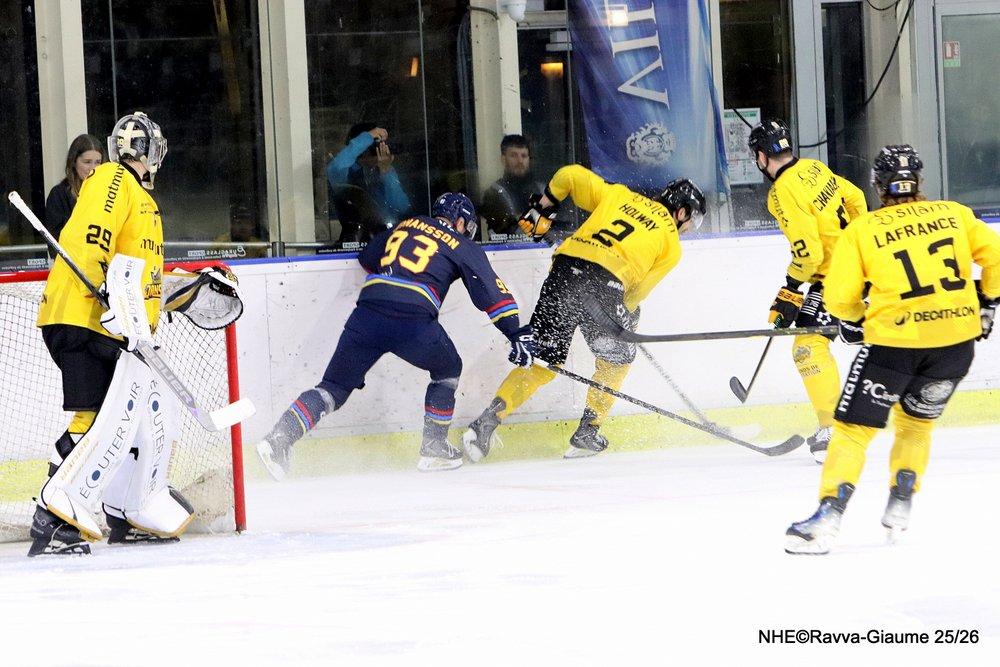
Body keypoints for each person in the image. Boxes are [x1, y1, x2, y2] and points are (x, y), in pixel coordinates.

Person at [28, 112, 243, 556]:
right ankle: (53, 519)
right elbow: (91, 239)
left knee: (140, 419)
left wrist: (189, 286)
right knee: (98, 420)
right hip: (86, 319)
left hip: (112, 324)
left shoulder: (142, 199)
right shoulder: (113, 178)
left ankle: (128, 510)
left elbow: (142, 276)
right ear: (148, 149)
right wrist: (109, 296)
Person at [785, 145, 1000, 555]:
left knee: (853, 431)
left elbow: (839, 298)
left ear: (879, 185)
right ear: (919, 181)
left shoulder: (863, 229)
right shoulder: (955, 214)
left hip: (893, 347)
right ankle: (901, 500)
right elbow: (998, 258)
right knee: (916, 426)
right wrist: (988, 302)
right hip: (955, 347)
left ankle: (829, 514)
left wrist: (855, 320)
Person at [256, 193, 534, 476]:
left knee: (333, 388)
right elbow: (492, 293)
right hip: (412, 319)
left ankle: (278, 440)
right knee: (448, 367)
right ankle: (434, 448)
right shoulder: (461, 244)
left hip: (367, 312)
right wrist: (516, 332)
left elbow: (368, 257)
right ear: (461, 222)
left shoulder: (407, 224)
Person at [462, 165, 706, 461]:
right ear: (681, 212)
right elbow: (635, 295)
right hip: (604, 285)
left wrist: (545, 204)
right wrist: (627, 317)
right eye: (692, 220)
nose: (689, 228)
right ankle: (587, 432)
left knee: (543, 361)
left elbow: (569, 175)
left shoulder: (620, 195)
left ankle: (485, 424)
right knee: (616, 361)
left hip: (563, 272)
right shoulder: (671, 244)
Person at [748, 118, 869, 463]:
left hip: (838, 278)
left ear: (762, 156)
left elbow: (809, 254)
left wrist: (790, 287)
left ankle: (833, 430)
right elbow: (856, 197)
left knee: (807, 348)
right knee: (816, 340)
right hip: (851, 270)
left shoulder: (781, 192)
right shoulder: (814, 167)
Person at [326, 123, 411, 245]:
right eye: (376, 147)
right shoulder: (347, 172)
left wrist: (386, 172)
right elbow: (335, 168)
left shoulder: (382, 172)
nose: (380, 150)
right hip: (356, 241)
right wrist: (368, 137)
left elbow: (402, 206)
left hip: (383, 240)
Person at [479, 134, 547, 239]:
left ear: (529, 159)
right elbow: (504, 227)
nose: (520, 161)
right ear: (503, 159)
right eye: (514, 155)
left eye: (524, 156)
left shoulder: (542, 190)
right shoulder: (494, 193)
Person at [44, 134, 106, 240]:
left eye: (98, 162)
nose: (93, 168)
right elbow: (55, 238)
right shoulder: (59, 195)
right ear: (73, 162)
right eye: (87, 162)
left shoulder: (109, 192)